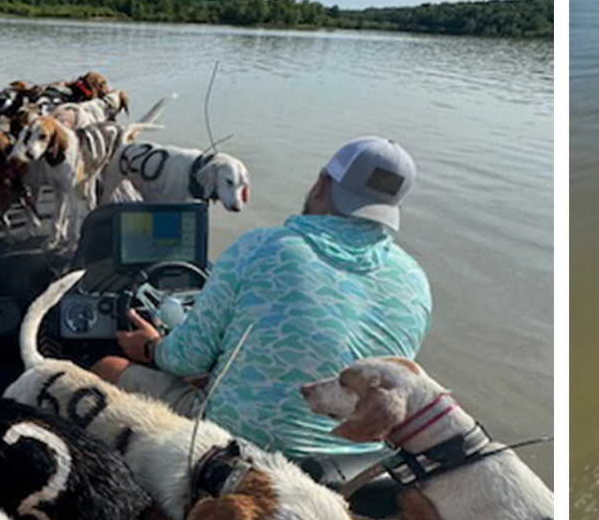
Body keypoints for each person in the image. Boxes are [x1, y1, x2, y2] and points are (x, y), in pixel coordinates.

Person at [97, 136, 433, 458]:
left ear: (322, 184)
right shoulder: (416, 280)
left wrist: (150, 345)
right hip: (351, 461)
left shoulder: (259, 247)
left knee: (108, 366)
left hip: (233, 444)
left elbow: (186, 359)